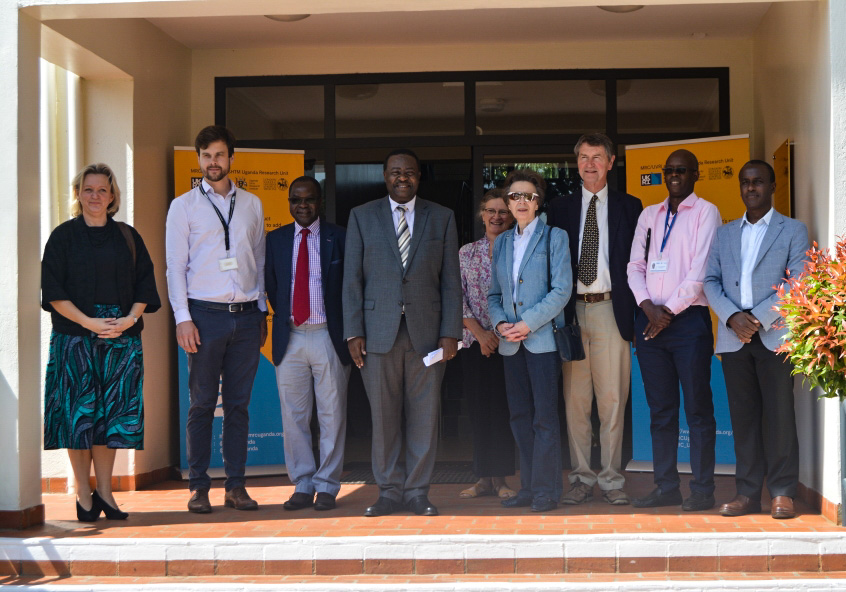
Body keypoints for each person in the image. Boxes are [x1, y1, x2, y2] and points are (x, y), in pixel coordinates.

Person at [343, 148, 463, 517]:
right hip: (377, 334)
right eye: (396, 172)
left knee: (424, 418)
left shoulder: (441, 217)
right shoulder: (362, 216)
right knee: (384, 419)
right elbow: (352, 278)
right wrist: (353, 332)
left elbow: (450, 281)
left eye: (409, 172)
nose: (402, 178)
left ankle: (417, 492)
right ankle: (389, 491)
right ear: (385, 176)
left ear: (418, 176)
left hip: (427, 335)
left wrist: (450, 332)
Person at [41, 163, 160, 522]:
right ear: (78, 194)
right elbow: (53, 290)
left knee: (111, 419)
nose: (95, 196)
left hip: (121, 339)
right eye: (88, 189)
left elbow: (145, 284)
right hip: (74, 337)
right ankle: (83, 494)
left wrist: (130, 319)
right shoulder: (62, 237)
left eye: (102, 190)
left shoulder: (128, 236)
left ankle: (105, 492)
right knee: (78, 418)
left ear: (112, 196)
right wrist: (89, 322)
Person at [166, 125, 268, 514]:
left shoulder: (252, 204)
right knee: (203, 405)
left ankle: (236, 487)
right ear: (199, 159)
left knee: (239, 406)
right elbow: (175, 267)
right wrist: (182, 318)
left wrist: (262, 308)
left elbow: (258, 261)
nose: (213, 162)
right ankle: (198, 487)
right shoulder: (183, 206)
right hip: (204, 317)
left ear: (231, 158)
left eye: (219, 155)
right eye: (206, 155)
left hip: (246, 317)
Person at [703, 160, 809, 520]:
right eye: (745, 182)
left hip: (774, 335)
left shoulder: (792, 229)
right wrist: (732, 317)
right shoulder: (724, 233)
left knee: (780, 417)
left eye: (758, 182)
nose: (751, 188)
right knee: (744, 419)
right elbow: (710, 281)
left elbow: (798, 281)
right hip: (734, 337)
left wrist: (758, 318)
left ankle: (782, 492)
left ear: (773, 186)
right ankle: (747, 493)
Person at [547, 133, 643, 506]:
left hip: (610, 309)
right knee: (576, 401)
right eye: (584, 157)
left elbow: (639, 263)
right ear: (577, 163)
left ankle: (612, 479)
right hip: (571, 313)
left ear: (611, 162)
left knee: (613, 399)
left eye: (597, 157)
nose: (590, 164)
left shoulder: (630, 206)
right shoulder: (559, 208)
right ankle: (581, 478)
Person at [626, 149, 721, 511]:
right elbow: (635, 266)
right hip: (650, 322)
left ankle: (702, 491)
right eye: (669, 170)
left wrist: (667, 311)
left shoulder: (706, 212)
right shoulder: (649, 215)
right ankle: (666, 487)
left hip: (688, 323)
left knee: (698, 409)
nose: (675, 175)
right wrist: (647, 306)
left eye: (682, 170)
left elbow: (700, 270)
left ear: (696, 174)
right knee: (661, 411)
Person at [265, 176, 351, 512]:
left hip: (327, 334)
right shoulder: (275, 240)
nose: (303, 206)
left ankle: (327, 485)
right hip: (290, 336)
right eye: (296, 200)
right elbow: (272, 285)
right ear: (289, 203)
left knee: (332, 415)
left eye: (309, 199)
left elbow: (350, 286)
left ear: (320, 202)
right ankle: (302, 483)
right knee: (294, 416)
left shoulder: (339, 237)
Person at [488, 169, 571, 513]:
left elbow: (562, 290)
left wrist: (527, 323)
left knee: (544, 419)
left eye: (529, 196)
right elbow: (494, 294)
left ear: (538, 202)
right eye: (515, 196)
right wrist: (500, 325)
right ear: (508, 203)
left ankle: (547, 491)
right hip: (510, 343)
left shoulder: (555, 237)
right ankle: (528, 487)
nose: (521, 201)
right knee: (520, 417)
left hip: (542, 341)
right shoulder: (503, 242)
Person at [458, 188, 517, 501]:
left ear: (511, 216)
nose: (497, 216)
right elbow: (456, 297)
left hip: (512, 342)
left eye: (503, 211)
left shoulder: (518, 249)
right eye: (491, 211)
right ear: (482, 215)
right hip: (475, 344)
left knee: (505, 411)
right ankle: (482, 478)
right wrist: (481, 335)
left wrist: (500, 333)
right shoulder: (466, 253)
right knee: (480, 411)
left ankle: (503, 479)